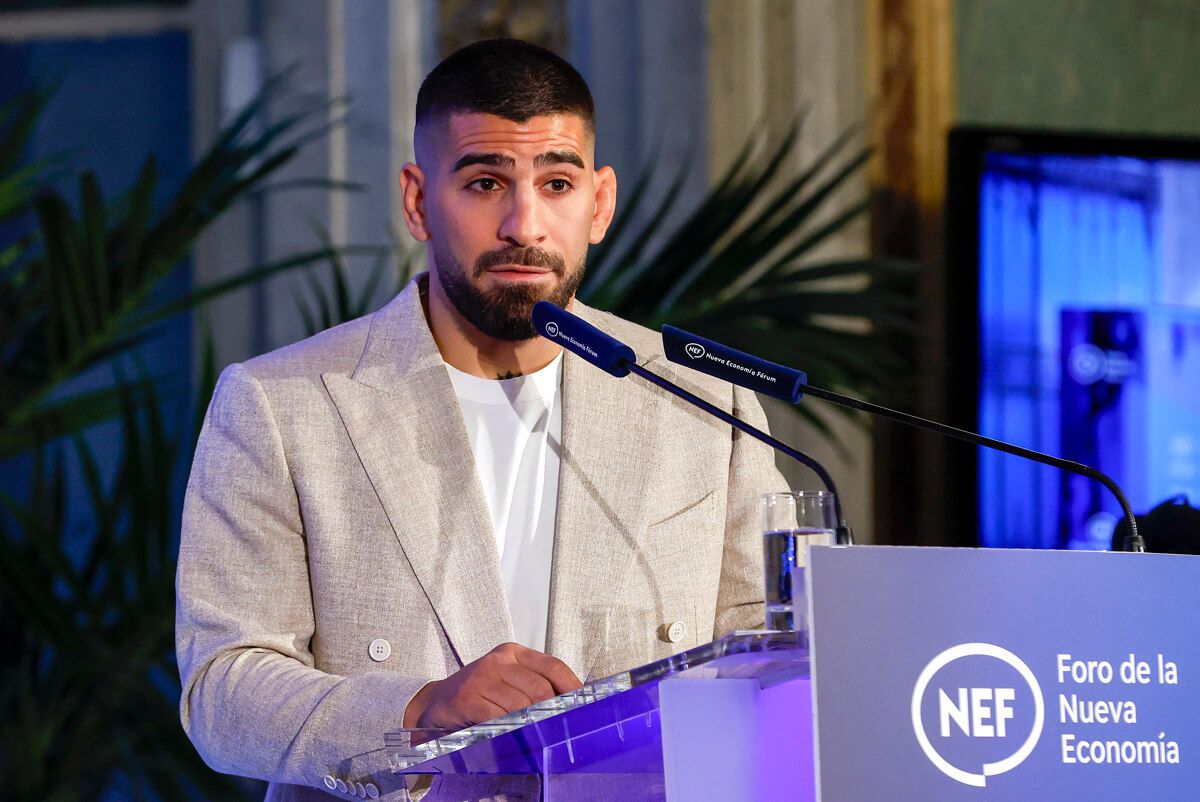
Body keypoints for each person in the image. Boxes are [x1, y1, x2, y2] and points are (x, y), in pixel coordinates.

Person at [176, 38, 786, 801]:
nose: (524, 224)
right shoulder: (283, 404)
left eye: (556, 183)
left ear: (598, 205)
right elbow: (222, 692)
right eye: (486, 181)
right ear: (417, 200)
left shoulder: (699, 401)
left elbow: (774, 657)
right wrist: (419, 711)